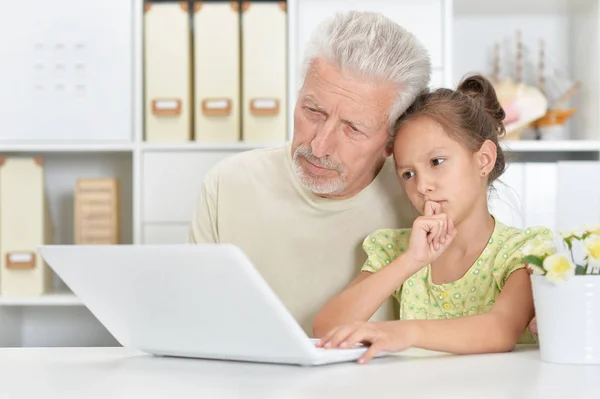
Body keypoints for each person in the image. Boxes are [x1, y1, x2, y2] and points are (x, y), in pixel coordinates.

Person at [188, 11, 431, 335]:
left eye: (353, 128)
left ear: (391, 141)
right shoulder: (226, 185)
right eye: (312, 110)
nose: (319, 146)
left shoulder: (422, 204)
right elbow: (193, 321)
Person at [313, 75, 553, 363]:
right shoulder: (397, 250)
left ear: (484, 160)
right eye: (408, 174)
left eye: (436, 162)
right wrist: (412, 261)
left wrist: (404, 333)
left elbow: (500, 330)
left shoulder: (524, 252)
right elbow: (326, 329)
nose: (422, 185)